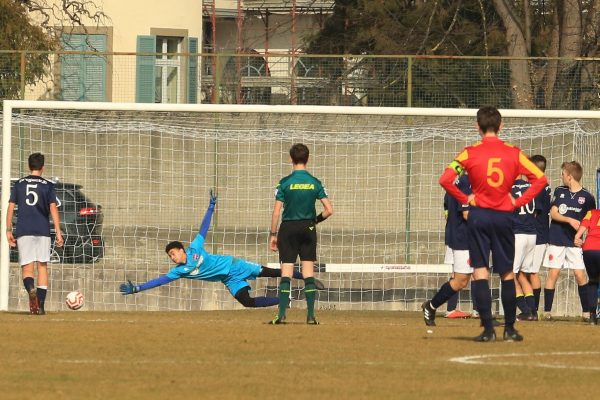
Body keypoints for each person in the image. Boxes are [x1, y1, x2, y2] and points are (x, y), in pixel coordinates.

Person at [434, 106, 547, 342]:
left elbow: (445, 179)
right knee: (507, 273)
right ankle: (510, 328)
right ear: (501, 125)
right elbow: (541, 179)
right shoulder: (514, 153)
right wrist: (518, 200)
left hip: (479, 216)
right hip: (504, 216)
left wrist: (466, 199)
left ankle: (487, 330)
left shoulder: (468, 153)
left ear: (478, 126)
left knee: (480, 271)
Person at [120, 190, 323, 307]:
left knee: (270, 272)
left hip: (234, 266)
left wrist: (210, 207)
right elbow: (159, 281)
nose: (172, 258)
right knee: (247, 302)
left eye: (173, 253)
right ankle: (285, 300)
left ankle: (306, 277)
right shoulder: (179, 272)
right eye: (170, 256)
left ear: (182, 250)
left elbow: (204, 228)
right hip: (228, 278)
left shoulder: (194, 248)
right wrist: (138, 288)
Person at [269, 143, 333, 325]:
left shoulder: (284, 183)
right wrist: (315, 221)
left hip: (288, 229)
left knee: (286, 272)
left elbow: (276, 212)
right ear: (308, 159)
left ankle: (281, 315)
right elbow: (329, 210)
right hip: (308, 228)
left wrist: (273, 234)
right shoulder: (315, 182)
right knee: (308, 272)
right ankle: (311, 316)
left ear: (291, 159)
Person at [6, 153, 64, 315]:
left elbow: (11, 207)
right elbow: (53, 208)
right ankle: (41, 306)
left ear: (29, 166)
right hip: (43, 231)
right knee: (42, 267)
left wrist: (8, 230)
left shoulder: (19, 184)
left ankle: (31, 288)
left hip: (24, 230)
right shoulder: (48, 185)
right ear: (42, 167)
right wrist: (58, 232)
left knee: (27, 270)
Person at [542, 161, 596, 321]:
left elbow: (590, 221)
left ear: (570, 177)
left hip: (575, 243)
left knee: (580, 275)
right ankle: (547, 312)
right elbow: (553, 213)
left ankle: (586, 313)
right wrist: (569, 220)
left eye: (563, 174)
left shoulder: (587, 197)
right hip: (556, 239)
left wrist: (584, 238)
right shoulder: (559, 191)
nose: (561, 177)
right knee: (553, 273)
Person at [423, 175, 472, 325]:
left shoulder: (462, 182)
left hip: (466, 236)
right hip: (464, 238)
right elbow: (466, 214)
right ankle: (431, 306)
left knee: (479, 274)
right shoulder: (466, 183)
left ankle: (486, 320)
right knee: (461, 281)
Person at [522, 155, 551, 319]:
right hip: (536, 234)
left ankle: (533, 310)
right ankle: (531, 309)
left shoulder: (538, 186)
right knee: (527, 272)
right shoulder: (543, 185)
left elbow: (534, 213)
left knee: (532, 272)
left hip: (538, 236)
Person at [511, 175, 537, 321]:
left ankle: (525, 310)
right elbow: (535, 212)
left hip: (518, 235)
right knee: (522, 275)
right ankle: (533, 312)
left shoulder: (509, 188)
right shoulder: (532, 187)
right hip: (531, 234)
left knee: (510, 275)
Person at [574, 209, 600, 325]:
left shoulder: (591, 212)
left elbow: (583, 225)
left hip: (589, 249)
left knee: (593, 281)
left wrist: (577, 237)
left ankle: (592, 317)